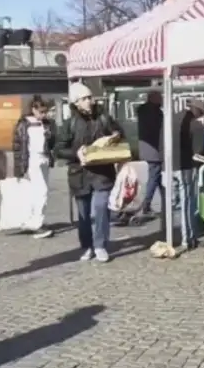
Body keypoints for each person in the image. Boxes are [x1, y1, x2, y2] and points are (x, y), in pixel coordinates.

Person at [55, 83, 123, 263]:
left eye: (90, 97)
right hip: (80, 173)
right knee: (83, 214)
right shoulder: (70, 124)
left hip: (102, 172)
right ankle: (87, 246)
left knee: (101, 208)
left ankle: (100, 244)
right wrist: (76, 153)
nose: (89, 101)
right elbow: (59, 149)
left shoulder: (104, 118)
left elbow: (120, 134)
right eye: (84, 98)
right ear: (76, 102)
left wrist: (114, 136)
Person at [11, 96, 57, 239]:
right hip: (32, 161)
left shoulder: (47, 124)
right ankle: (37, 224)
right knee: (41, 191)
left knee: (39, 191)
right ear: (33, 109)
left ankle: (33, 220)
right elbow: (18, 147)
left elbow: (52, 142)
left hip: (44, 159)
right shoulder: (23, 124)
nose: (44, 114)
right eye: (41, 111)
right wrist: (20, 168)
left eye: (45, 111)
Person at [172, 100, 204, 249]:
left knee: (172, 204)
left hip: (168, 167)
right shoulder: (196, 125)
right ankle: (188, 238)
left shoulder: (170, 120)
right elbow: (198, 152)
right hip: (186, 167)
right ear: (197, 111)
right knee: (187, 202)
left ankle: (168, 234)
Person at [137, 91, 165, 221]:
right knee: (154, 176)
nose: (162, 100)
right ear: (154, 99)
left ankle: (165, 201)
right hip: (155, 149)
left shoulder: (143, 111)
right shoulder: (155, 112)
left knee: (157, 176)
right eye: (160, 97)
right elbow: (159, 130)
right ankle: (146, 204)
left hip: (146, 148)